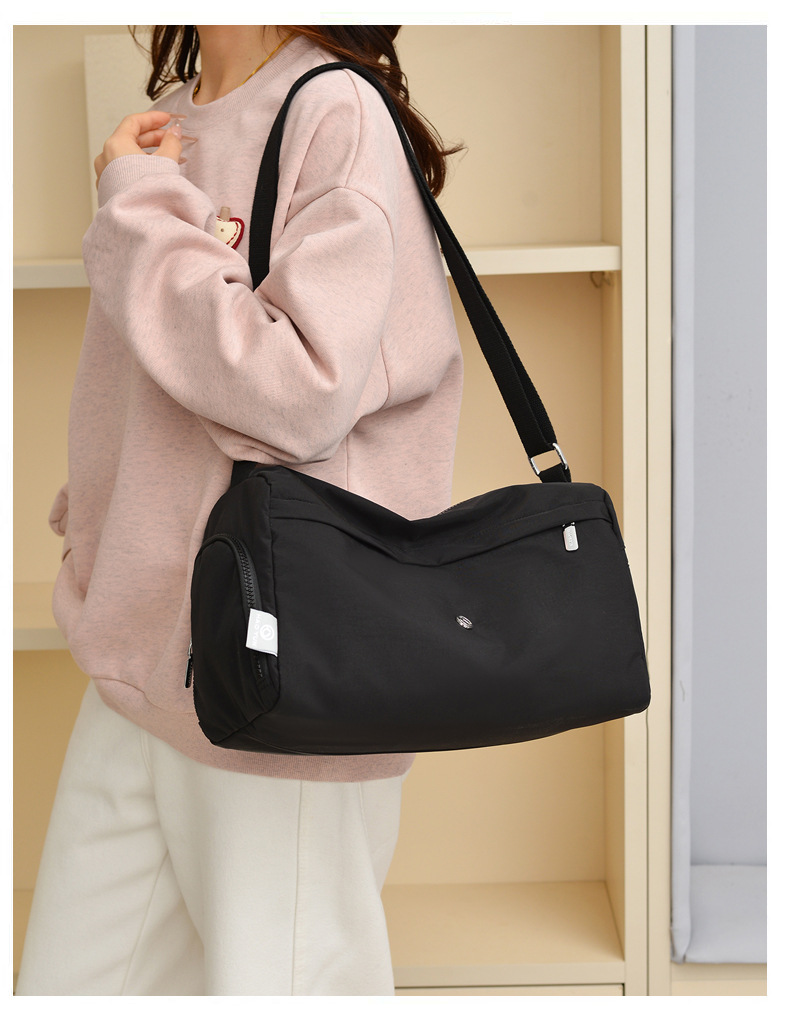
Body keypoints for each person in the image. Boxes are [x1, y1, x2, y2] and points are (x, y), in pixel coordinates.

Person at [16, 25, 463, 996]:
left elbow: (299, 397)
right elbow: (148, 400)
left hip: (275, 686)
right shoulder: (169, 123)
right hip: (137, 664)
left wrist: (139, 211)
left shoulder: (334, 111)